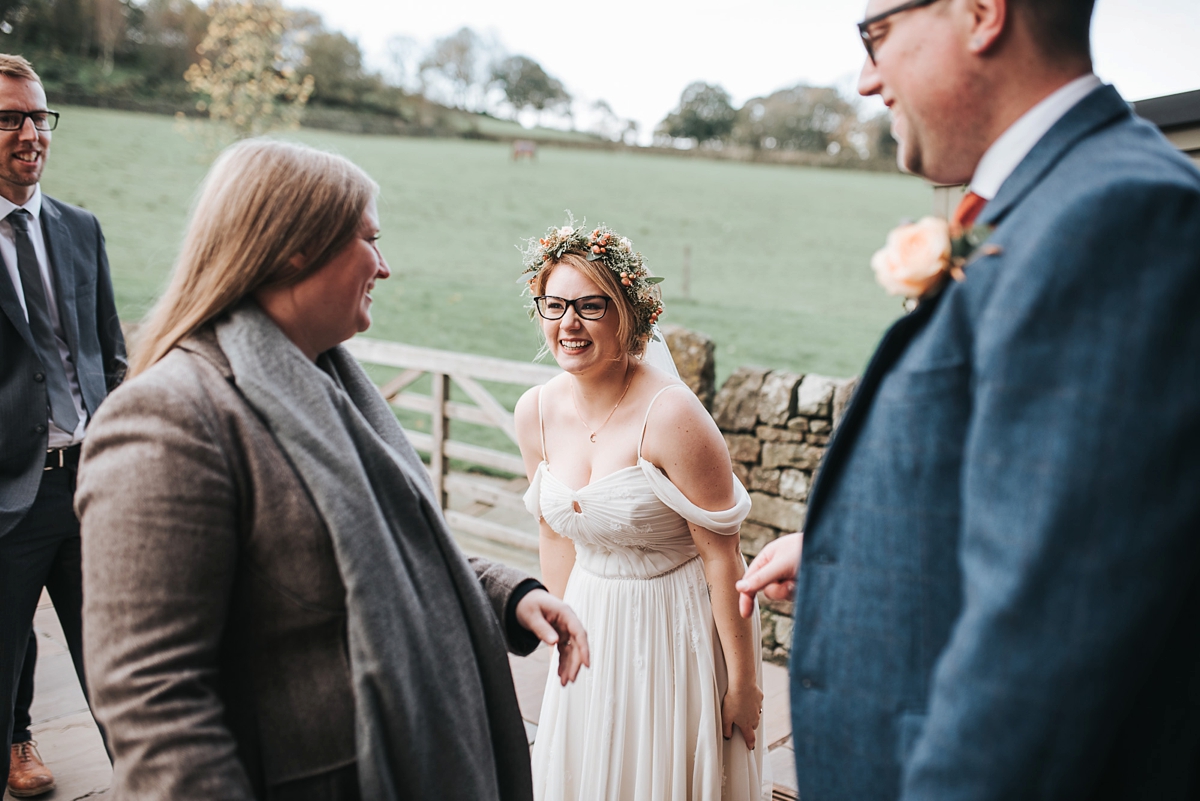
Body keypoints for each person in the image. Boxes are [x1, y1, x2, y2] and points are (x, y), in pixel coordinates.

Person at [736, 0, 1200, 798]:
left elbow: (1045, 638)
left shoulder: (1117, 214)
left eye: (874, 36)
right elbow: (1044, 496)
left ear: (983, 13)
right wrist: (848, 557)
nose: (865, 78)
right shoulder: (1048, 201)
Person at [75, 138, 590, 801]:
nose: (384, 266)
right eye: (369, 239)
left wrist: (506, 596)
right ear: (297, 245)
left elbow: (386, 548)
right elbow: (153, 701)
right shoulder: (168, 420)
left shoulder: (328, 379)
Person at [514, 223, 768, 801]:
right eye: (554, 305)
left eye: (588, 306)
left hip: (674, 629)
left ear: (626, 315)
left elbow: (722, 556)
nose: (568, 324)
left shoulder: (673, 415)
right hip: (589, 617)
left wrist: (744, 684)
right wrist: (559, 637)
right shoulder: (535, 412)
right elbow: (553, 532)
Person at [0, 53, 125, 795]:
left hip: (92, 483)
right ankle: (17, 742)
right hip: (8, 493)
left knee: (119, 658)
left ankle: (153, 778)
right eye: (10, 118)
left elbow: (109, 348)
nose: (30, 133)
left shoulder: (81, 228)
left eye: (39, 117)